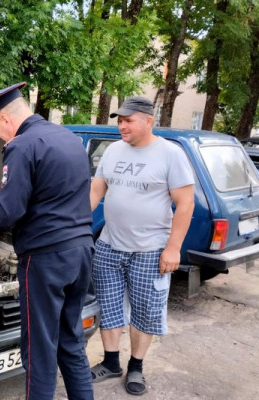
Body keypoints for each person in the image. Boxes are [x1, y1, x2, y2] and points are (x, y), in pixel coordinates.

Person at [0, 82, 94, 400]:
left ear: (5, 119)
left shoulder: (21, 146)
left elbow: (7, 214)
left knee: (39, 351)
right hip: (82, 251)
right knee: (71, 341)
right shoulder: (68, 138)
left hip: (46, 259)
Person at [89, 96, 194, 395]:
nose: (122, 125)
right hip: (109, 244)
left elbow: (185, 203)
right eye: (119, 120)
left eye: (128, 120)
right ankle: (111, 362)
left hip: (150, 249)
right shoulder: (113, 151)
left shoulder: (170, 154)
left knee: (145, 311)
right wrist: (78, 222)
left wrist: (173, 248)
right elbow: (98, 188)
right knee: (108, 307)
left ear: (148, 120)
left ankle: (136, 367)